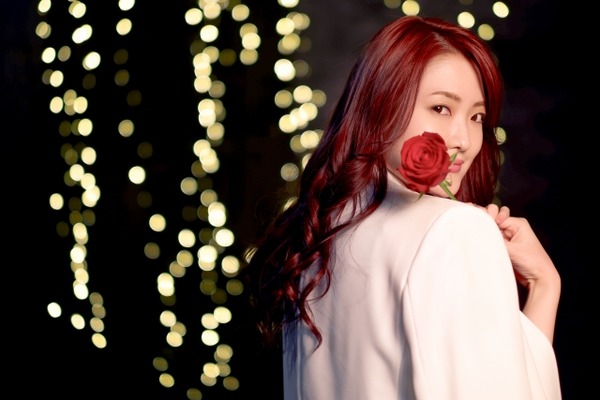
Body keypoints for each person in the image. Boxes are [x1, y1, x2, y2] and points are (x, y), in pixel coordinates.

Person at [243, 15, 562, 399]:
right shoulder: (457, 231)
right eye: (441, 108)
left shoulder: (320, 234)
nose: (463, 139)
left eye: (477, 117)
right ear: (382, 107)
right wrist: (545, 285)